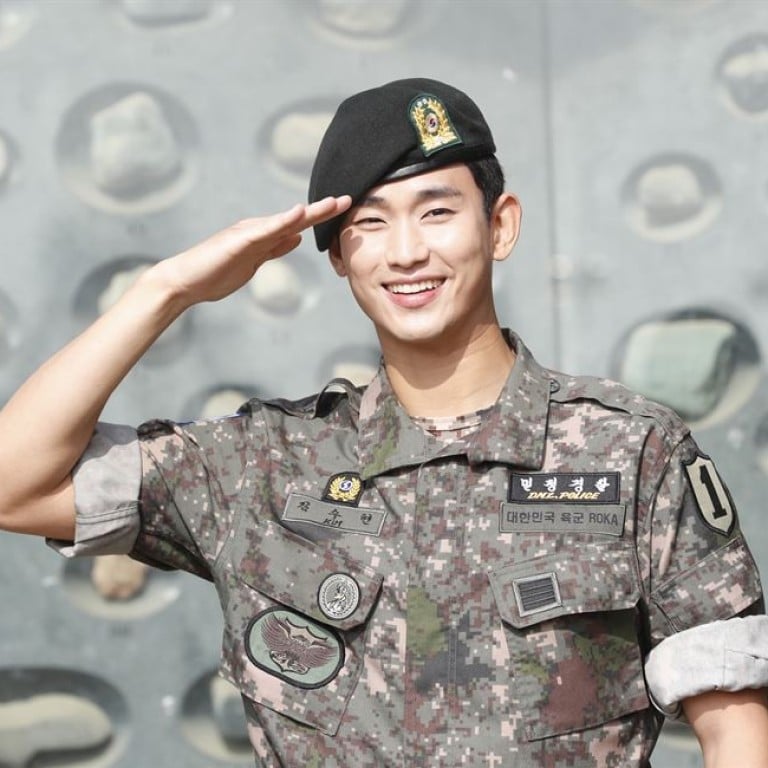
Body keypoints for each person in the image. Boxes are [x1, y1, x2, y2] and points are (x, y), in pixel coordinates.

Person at [0, 77, 767, 767]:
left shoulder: (631, 452)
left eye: (437, 211)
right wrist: (165, 291)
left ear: (499, 225)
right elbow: (16, 484)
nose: (406, 253)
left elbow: (735, 726)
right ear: (338, 258)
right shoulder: (260, 468)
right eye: (369, 223)